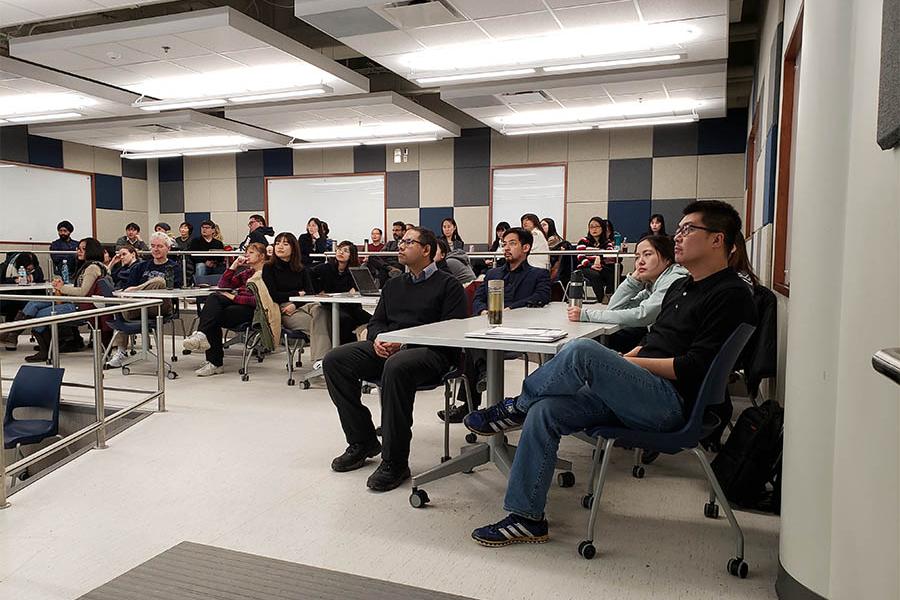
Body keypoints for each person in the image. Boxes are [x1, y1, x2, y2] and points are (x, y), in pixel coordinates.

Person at [463, 200, 756, 547]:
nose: (677, 237)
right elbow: (655, 340)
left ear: (717, 239)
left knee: (583, 351)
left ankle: (515, 407)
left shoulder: (731, 294)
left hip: (673, 404)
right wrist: (624, 359)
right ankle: (527, 518)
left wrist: (625, 364)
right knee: (546, 411)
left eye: (688, 230)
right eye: (678, 229)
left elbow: (693, 367)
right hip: (640, 391)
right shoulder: (683, 285)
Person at [323, 227, 467, 492]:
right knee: (335, 360)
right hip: (390, 351)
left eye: (408, 242)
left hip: (433, 353)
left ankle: (395, 461)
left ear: (427, 249)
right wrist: (379, 340)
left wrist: (405, 343)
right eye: (401, 242)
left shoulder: (448, 285)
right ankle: (363, 440)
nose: (400, 246)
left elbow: (452, 331)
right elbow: (377, 322)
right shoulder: (393, 285)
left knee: (396, 366)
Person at [439, 227, 551, 422]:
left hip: (519, 332)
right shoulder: (493, 273)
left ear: (526, 247)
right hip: (489, 327)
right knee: (472, 339)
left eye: (512, 243)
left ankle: (472, 401)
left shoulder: (538, 274)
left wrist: (511, 310)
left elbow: (540, 297)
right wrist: (483, 311)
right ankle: (478, 388)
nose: (506, 248)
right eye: (504, 244)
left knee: (476, 345)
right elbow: (478, 298)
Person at [569, 235, 689, 352]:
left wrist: (587, 315)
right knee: (589, 343)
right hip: (653, 341)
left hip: (668, 352)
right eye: (637, 257)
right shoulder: (652, 285)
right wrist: (633, 281)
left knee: (581, 350)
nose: (640, 262)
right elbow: (614, 308)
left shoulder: (674, 280)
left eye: (647, 254)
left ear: (667, 259)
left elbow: (642, 315)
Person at [9, 238, 107, 362]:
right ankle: (14, 335)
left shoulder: (92, 268)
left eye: (83, 249)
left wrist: (62, 287)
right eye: (78, 248)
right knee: (33, 304)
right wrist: (63, 286)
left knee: (38, 314)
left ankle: (37, 347)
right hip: (77, 302)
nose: (78, 251)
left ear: (92, 250)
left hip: (82, 307)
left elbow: (83, 292)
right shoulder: (90, 266)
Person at [181, 242, 267, 376]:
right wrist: (234, 266)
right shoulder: (247, 273)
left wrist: (233, 298)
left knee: (213, 315)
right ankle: (203, 339)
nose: (246, 255)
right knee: (214, 302)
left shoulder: (268, 274)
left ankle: (214, 361)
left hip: (254, 311)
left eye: (251, 253)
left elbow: (260, 301)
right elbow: (223, 285)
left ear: (261, 256)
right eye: (246, 252)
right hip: (239, 305)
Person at [106, 233, 184, 368]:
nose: (156, 249)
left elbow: (174, 290)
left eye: (160, 246)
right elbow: (128, 287)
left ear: (168, 248)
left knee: (160, 281)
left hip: (161, 306)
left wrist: (137, 289)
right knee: (119, 308)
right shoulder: (141, 266)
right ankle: (121, 352)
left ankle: (127, 304)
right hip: (139, 305)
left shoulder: (174, 267)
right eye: (153, 246)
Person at [262, 232, 330, 363]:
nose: (280, 246)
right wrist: (297, 294)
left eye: (285, 244)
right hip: (284, 308)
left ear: (294, 248)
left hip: (303, 304)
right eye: (277, 243)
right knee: (319, 326)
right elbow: (274, 295)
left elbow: (309, 293)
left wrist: (295, 302)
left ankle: (325, 362)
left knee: (323, 312)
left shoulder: (301, 268)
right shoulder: (269, 268)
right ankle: (323, 362)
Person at [311, 241, 372, 346]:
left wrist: (356, 290)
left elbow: (363, 288)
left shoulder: (356, 270)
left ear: (351, 255)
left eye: (345, 251)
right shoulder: (326, 268)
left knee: (374, 321)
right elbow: (309, 274)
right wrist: (318, 290)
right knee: (345, 320)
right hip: (332, 306)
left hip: (352, 307)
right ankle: (344, 350)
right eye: (339, 249)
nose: (341, 252)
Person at [0, 252, 45, 350]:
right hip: (6, 298)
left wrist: (33, 277)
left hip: (25, 298)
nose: (29, 271)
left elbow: (40, 277)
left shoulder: (36, 269)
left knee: (27, 305)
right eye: (27, 269)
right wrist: (14, 281)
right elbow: (2, 281)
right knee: (15, 304)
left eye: (31, 269)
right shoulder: (6, 267)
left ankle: (10, 336)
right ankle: (10, 336)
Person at [575, 217, 614, 300]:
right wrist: (590, 265)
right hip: (585, 267)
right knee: (594, 274)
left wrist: (599, 259)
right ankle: (601, 298)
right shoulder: (583, 240)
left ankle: (609, 295)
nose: (594, 229)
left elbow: (609, 254)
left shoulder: (607, 242)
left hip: (600, 266)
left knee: (612, 271)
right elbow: (580, 256)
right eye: (591, 227)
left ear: (602, 228)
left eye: (597, 226)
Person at [540, 217, 571, 283]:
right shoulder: (544, 238)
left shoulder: (553, 239)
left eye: (544, 225)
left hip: (553, 267)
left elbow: (543, 250)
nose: (541, 227)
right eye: (540, 225)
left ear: (550, 226)